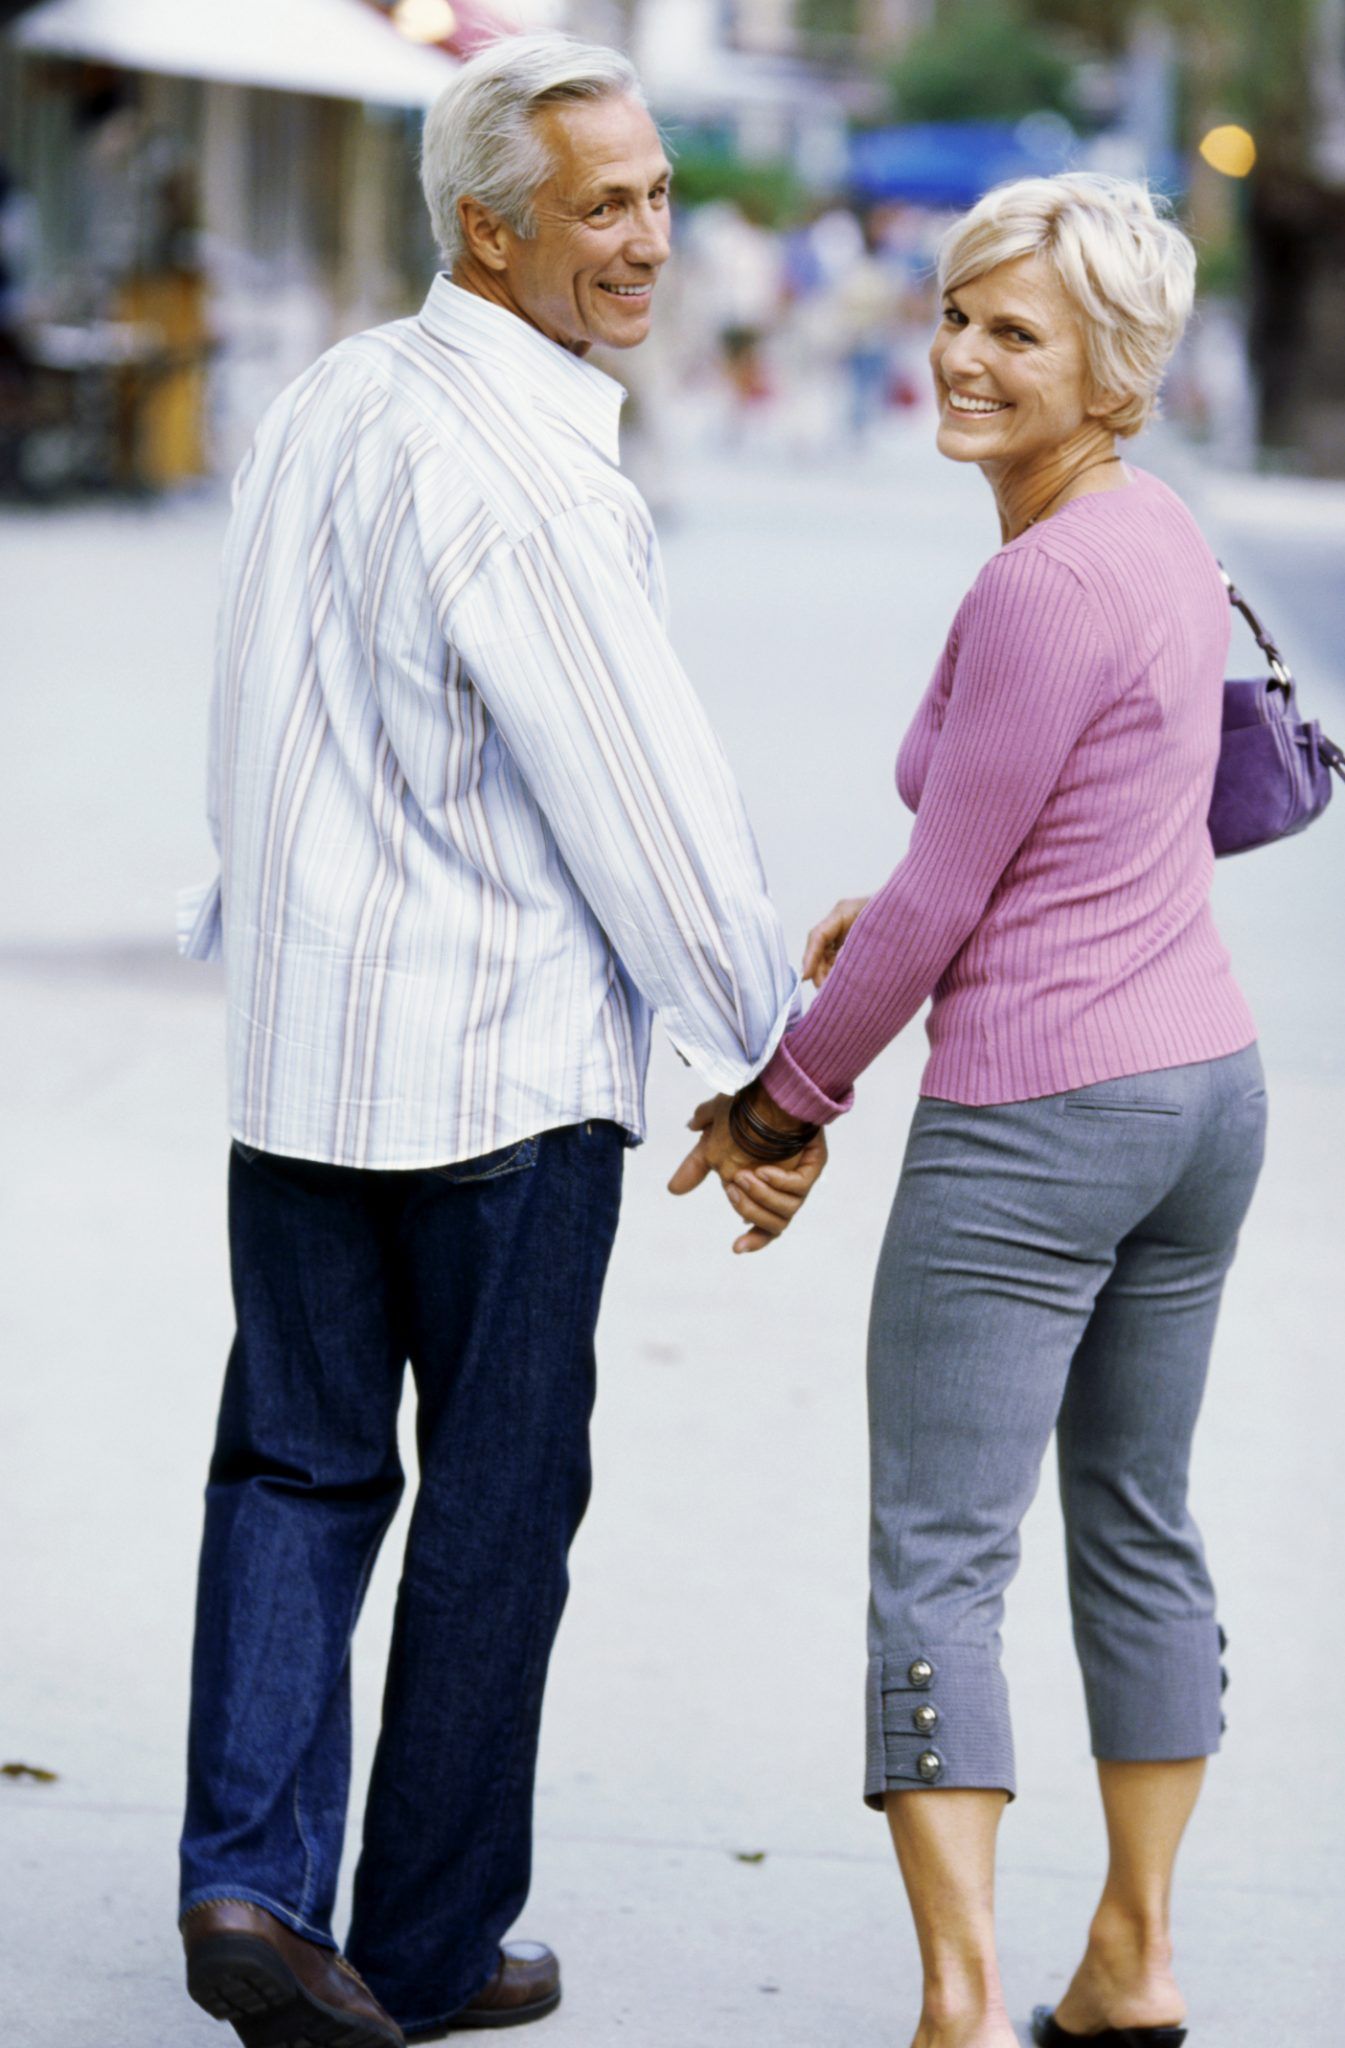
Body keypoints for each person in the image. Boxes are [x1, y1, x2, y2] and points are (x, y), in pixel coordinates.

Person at [174, 35, 825, 2048]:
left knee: (293, 1467)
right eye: (603, 206)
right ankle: (430, 1951)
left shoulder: (331, 399)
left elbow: (244, 718)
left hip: (304, 1061)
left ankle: (250, 1889)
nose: (646, 239)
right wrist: (773, 1061)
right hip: (499, 1074)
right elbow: (647, 800)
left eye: (654, 195)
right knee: (491, 1507)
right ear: (490, 227)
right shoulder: (528, 466)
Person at [673, 174, 1263, 2048]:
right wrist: (908, 898)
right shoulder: (1158, 535)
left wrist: (784, 1101)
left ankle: (956, 2001)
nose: (959, 356)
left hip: (1046, 1110)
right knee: (1138, 1518)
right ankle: (1133, 1960)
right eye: (953, 315)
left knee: (939, 1544)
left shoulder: (1038, 580)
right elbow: (1041, 833)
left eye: (1015, 331)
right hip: (1201, 1092)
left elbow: (940, 909)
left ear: (1115, 371)